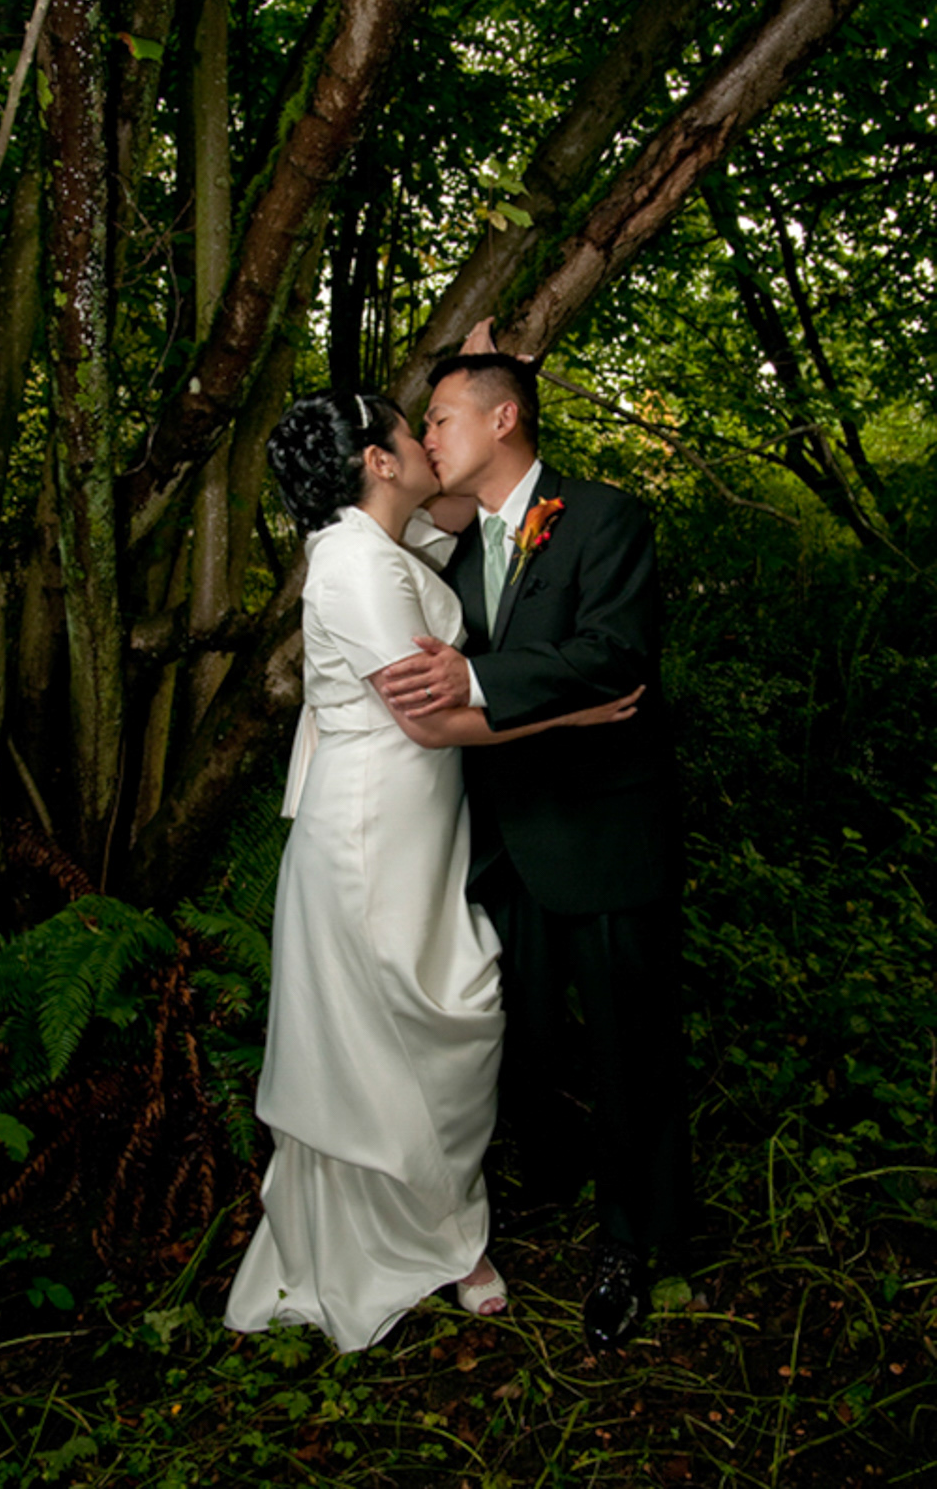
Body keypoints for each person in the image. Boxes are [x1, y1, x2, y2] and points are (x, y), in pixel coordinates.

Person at [224, 390, 641, 1353]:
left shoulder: (384, 543)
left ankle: (439, 1228)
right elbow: (428, 718)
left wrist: (509, 375)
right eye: (412, 432)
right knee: (403, 1030)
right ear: (376, 460)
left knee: (436, 1020)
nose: (426, 443)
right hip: (372, 831)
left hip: (417, 822)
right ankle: (441, 1243)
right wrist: (569, 713)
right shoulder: (352, 567)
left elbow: (460, 506)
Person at [381, 345, 692, 1350]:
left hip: (602, 833)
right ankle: (551, 1180)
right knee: (521, 1040)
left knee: (625, 1048)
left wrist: (473, 685)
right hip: (500, 839)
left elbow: (613, 658)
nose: (428, 435)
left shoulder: (603, 516)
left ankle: (630, 1244)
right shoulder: (458, 544)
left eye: (441, 418)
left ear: (503, 420)